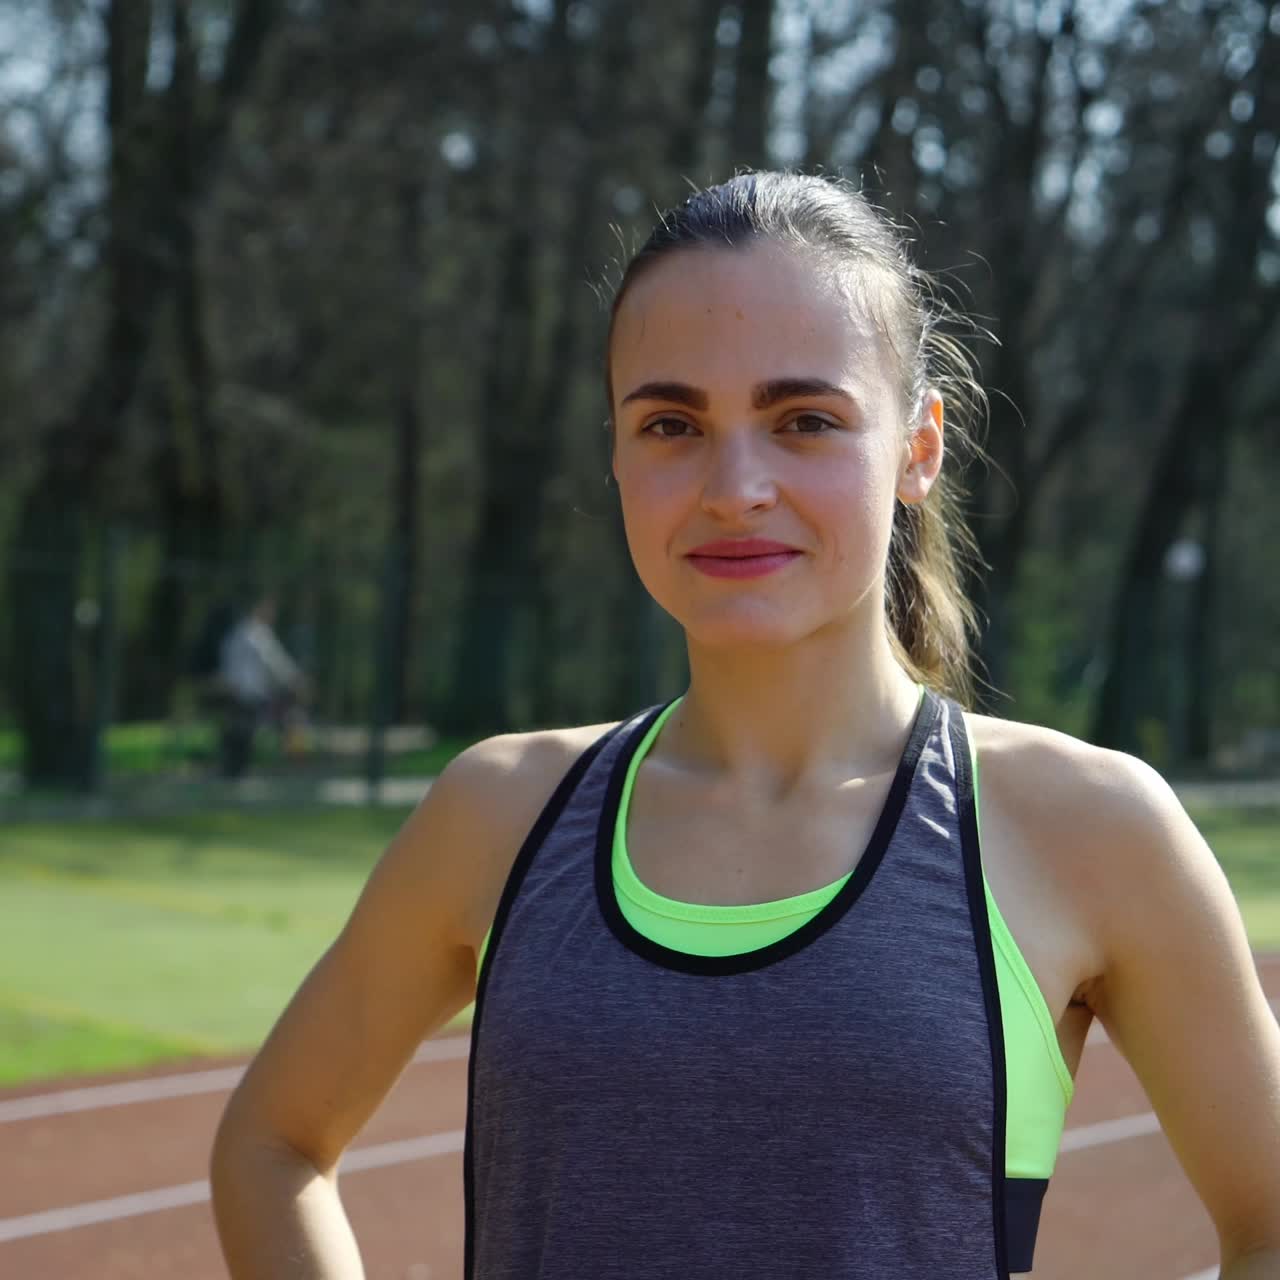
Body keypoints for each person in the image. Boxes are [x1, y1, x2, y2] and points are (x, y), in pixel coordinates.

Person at [210, 173, 1280, 1278]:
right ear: (617, 454)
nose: (734, 485)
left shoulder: (1084, 828)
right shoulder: (500, 811)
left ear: (917, 447)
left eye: (802, 419)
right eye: (671, 422)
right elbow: (271, 1144)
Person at [214, 592, 309, 778]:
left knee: (237, 730)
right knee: (243, 731)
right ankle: (236, 770)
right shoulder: (258, 634)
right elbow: (275, 662)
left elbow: (227, 658)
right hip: (248, 690)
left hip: (239, 689)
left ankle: (232, 769)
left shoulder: (239, 632)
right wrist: (295, 679)